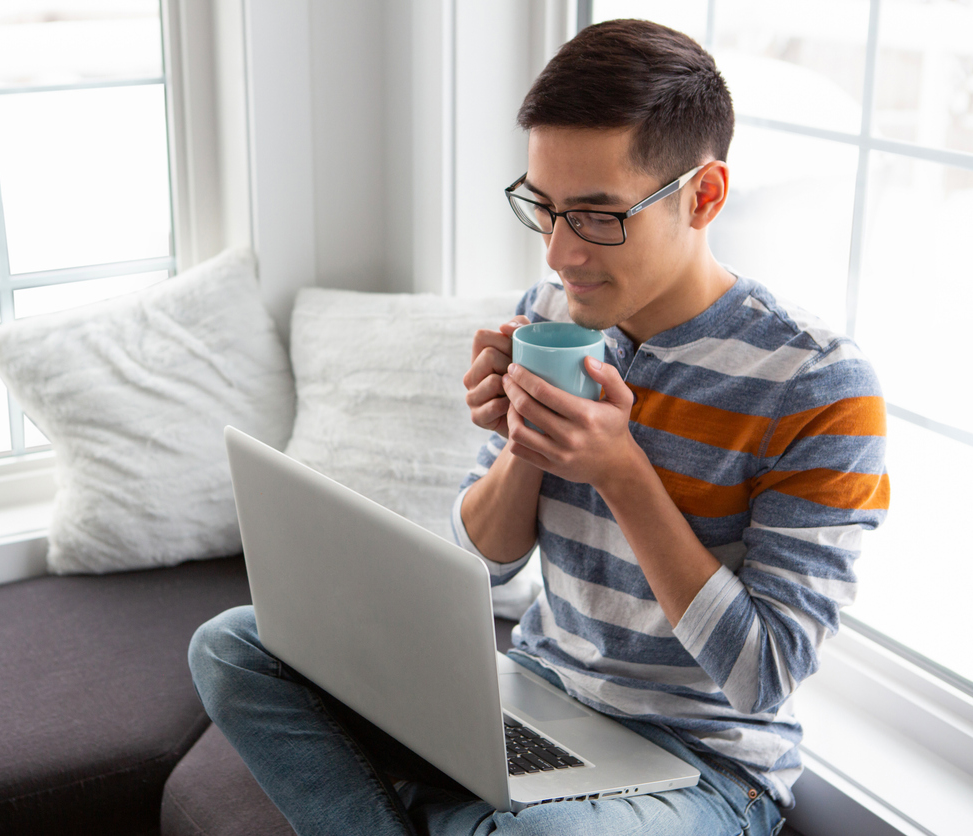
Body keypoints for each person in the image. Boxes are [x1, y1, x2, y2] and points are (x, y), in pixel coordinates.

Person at [189, 19, 889, 836]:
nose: (559, 254)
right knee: (235, 644)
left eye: (597, 215)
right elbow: (479, 568)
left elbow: (761, 675)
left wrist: (620, 470)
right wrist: (524, 445)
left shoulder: (817, 385)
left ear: (704, 196)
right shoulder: (551, 316)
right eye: (544, 208)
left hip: (703, 767)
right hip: (537, 694)